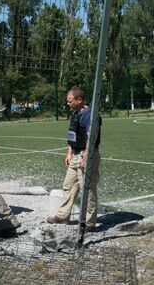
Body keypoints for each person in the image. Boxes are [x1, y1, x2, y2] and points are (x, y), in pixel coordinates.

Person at [46, 87, 101, 231]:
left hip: (86, 155)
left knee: (87, 190)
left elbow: (92, 137)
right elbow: (73, 135)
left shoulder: (91, 115)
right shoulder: (76, 113)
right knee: (68, 186)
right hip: (75, 154)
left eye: (70, 101)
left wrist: (87, 158)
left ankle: (89, 224)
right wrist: (69, 153)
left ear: (79, 100)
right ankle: (63, 216)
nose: (68, 104)